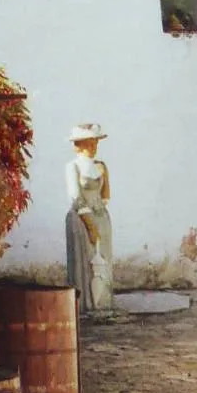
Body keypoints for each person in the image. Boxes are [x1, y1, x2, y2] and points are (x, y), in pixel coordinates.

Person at [65, 122, 113, 315]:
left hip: (100, 214)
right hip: (81, 218)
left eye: (95, 144)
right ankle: (85, 304)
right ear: (79, 145)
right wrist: (90, 225)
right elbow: (76, 197)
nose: (93, 148)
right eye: (89, 144)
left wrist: (104, 176)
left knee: (103, 260)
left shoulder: (100, 166)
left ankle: (103, 302)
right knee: (85, 260)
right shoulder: (73, 166)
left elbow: (106, 195)